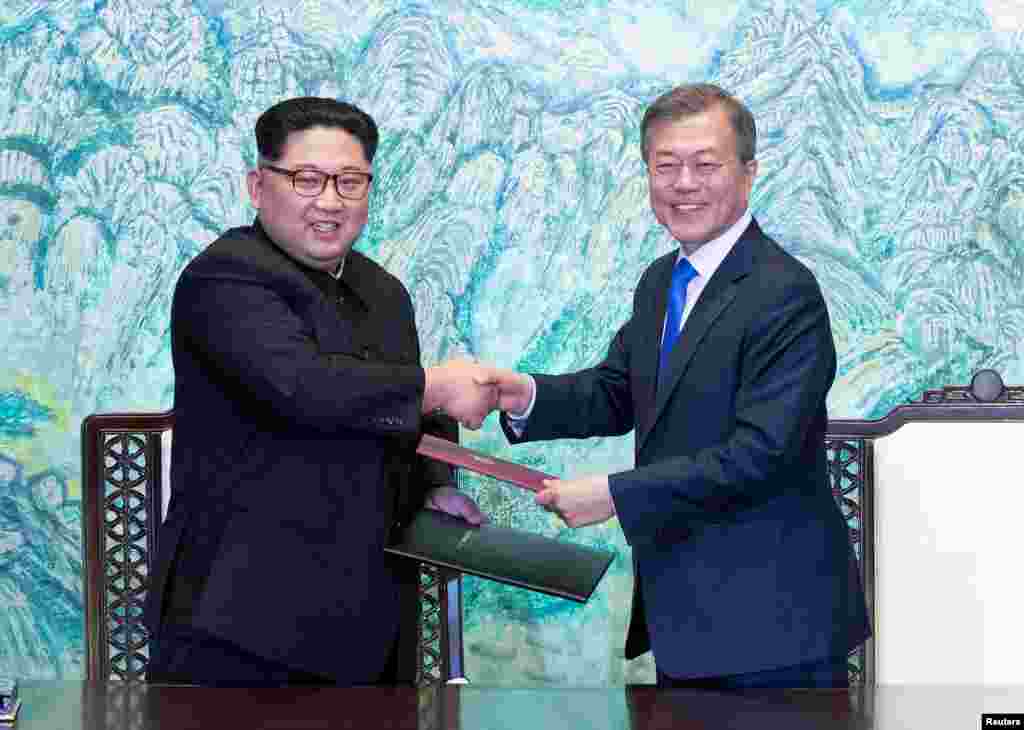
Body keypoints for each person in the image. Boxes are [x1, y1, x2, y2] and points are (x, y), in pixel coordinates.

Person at [484, 84, 870, 689]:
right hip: (685, 619)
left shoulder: (785, 292)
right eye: (666, 166)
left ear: (748, 174)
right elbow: (618, 390)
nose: (684, 182)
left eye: (705, 164)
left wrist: (613, 493)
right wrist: (522, 394)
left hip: (773, 627)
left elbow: (761, 455)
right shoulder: (661, 280)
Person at [143, 97, 495, 687]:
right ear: (258, 185)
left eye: (350, 182)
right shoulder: (224, 278)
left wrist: (435, 487)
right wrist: (439, 384)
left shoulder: (384, 291)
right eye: (307, 179)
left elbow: (406, 408)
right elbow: (306, 388)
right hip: (240, 620)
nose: (330, 201)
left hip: (370, 610)